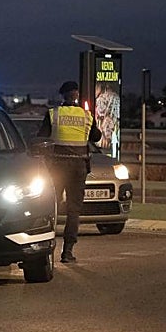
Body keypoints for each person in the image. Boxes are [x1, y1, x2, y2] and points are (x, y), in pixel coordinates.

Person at [38, 80, 102, 263]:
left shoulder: (53, 114)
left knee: (52, 207)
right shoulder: (86, 115)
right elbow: (96, 137)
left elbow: (41, 137)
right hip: (78, 168)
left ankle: (45, 249)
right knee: (74, 210)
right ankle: (67, 252)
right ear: (77, 95)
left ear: (63, 95)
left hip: (57, 167)